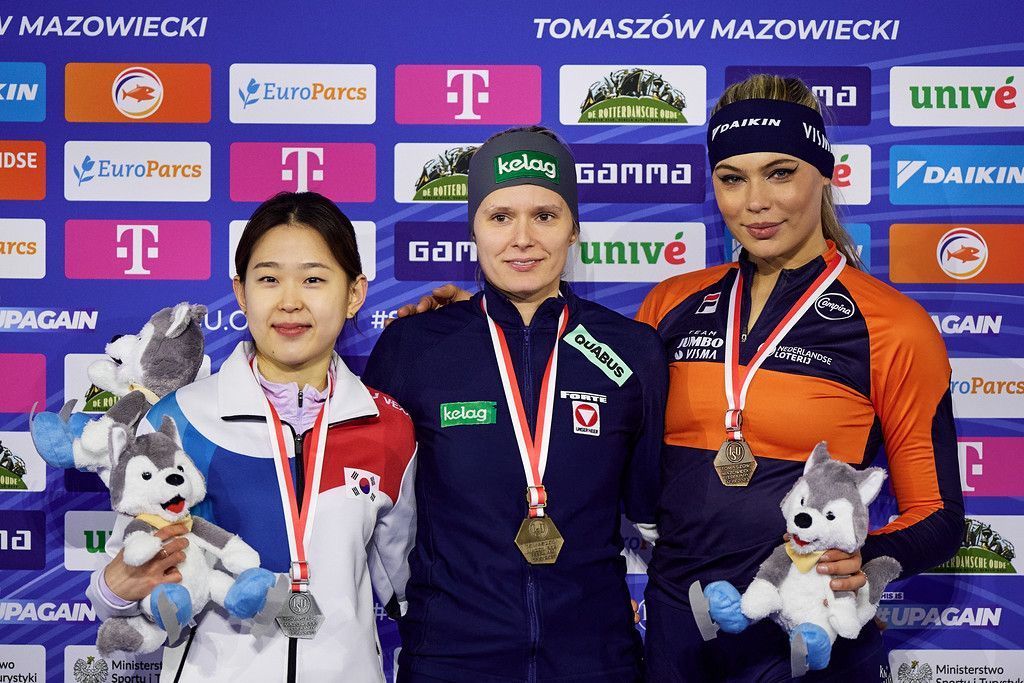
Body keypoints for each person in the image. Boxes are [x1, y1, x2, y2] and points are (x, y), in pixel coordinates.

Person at [638, 74, 964, 681]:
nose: (755, 201)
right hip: (681, 634)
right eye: (732, 178)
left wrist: (866, 562)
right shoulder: (668, 304)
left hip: (811, 634)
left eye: (780, 173)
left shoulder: (893, 325)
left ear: (826, 173)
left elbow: (937, 513)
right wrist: (464, 326)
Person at [362, 127, 667, 682]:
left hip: (596, 660)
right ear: (473, 229)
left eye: (545, 216)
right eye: (500, 216)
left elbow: (655, 516)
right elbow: (371, 517)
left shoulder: (632, 349)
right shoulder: (412, 349)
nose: (522, 239)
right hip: (450, 660)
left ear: (574, 229)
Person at [87, 192, 418, 683]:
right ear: (241, 293)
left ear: (354, 294)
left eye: (313, 279)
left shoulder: (388, 426)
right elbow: (118, 580)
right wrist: (113, 589)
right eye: (268, 279)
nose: (290, 301)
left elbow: (404, 586)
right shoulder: (180, 419)